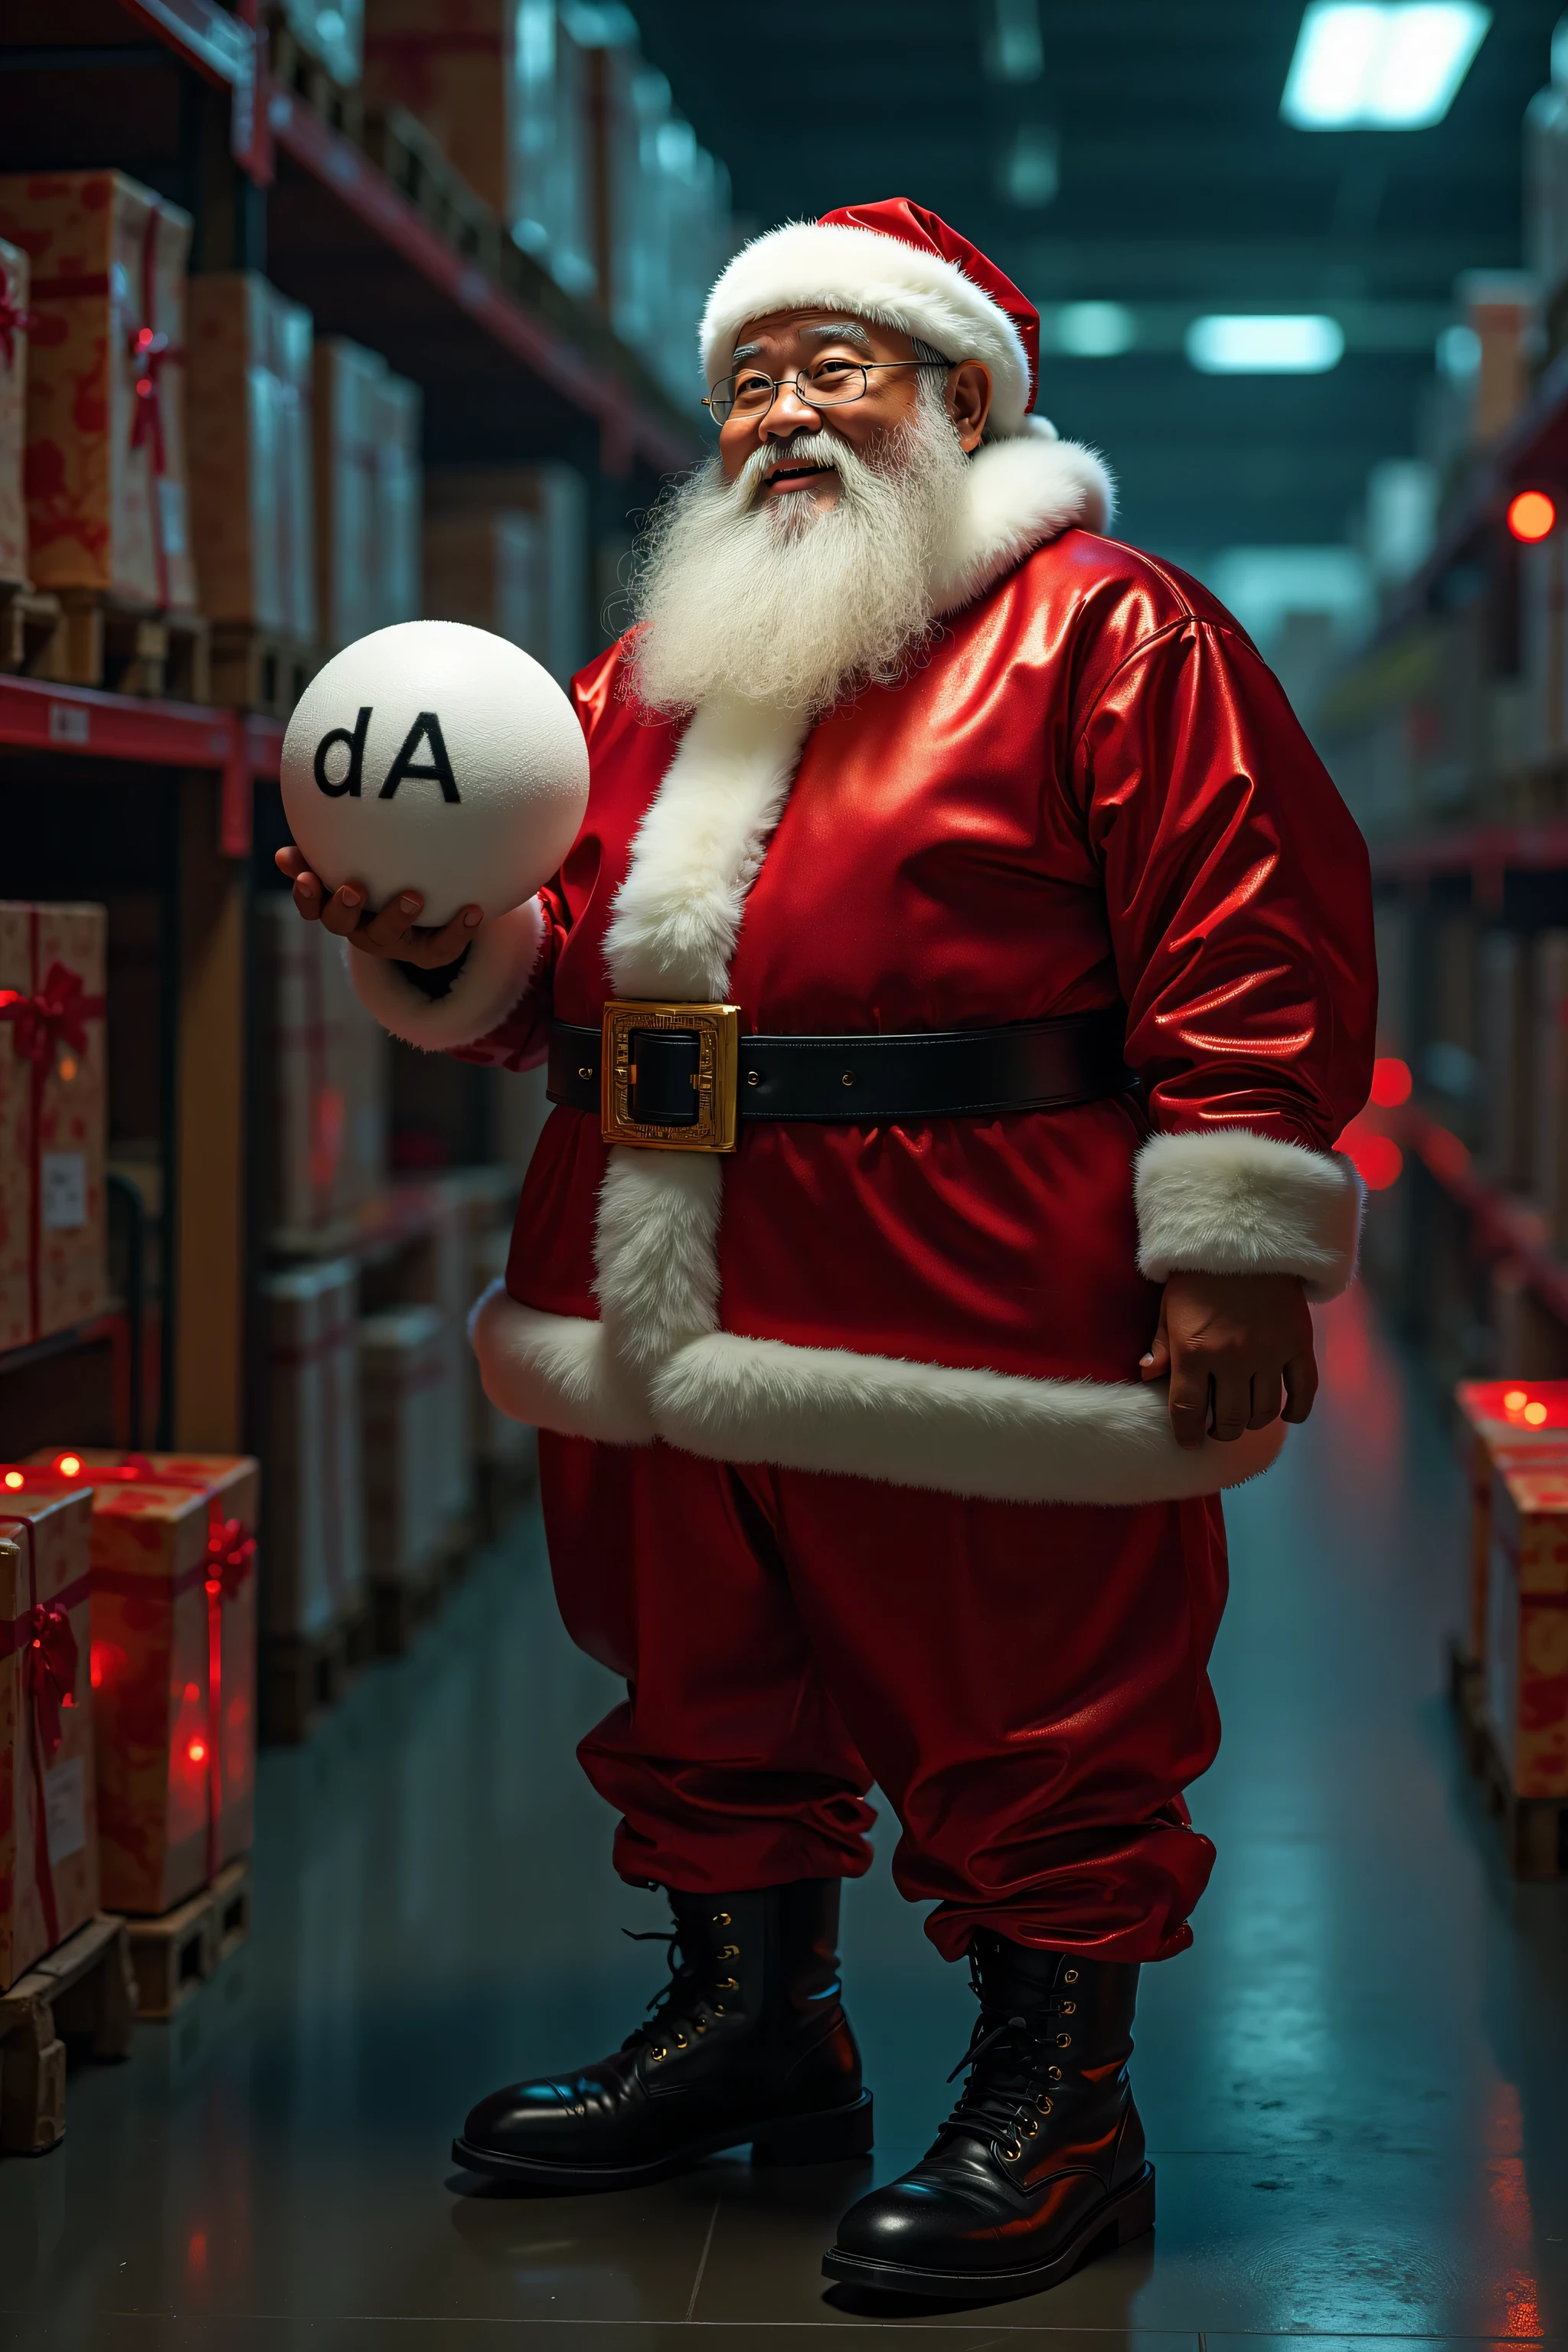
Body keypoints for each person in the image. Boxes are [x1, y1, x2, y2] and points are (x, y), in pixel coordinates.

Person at [278, 198, 1375, 2305]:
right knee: (695, 1672)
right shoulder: (650, 675)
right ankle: (752, 2017)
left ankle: (1065, 2099)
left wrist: (1234, 1240)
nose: (783, 415)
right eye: (751, 381)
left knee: (1037, 1685)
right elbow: (554, 964)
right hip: (648, 1258)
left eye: (836, 367)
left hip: (974, 1267)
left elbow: (1251, 928)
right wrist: (448, 942)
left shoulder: (1113, 636)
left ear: (962, 397)